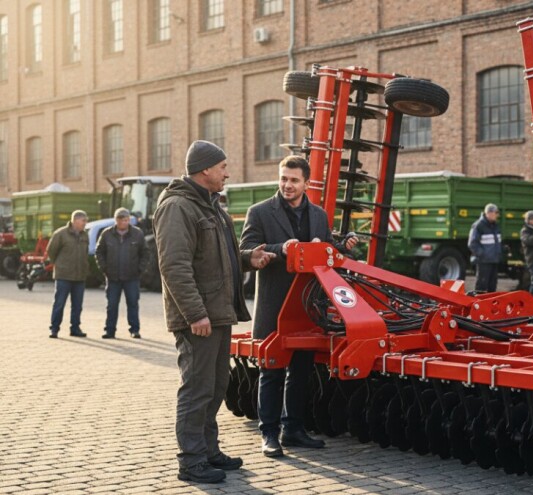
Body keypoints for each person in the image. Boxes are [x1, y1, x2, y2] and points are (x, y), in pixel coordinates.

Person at [154, 140, 275, 484]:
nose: (227, 172)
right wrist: (195, 313)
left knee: (216, 386)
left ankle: (208, 450)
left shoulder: (211, 207)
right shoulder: (178, 207)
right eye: (222, 167)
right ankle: (191, 462)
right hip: (199, 318)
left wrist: (247, 258)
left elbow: (219, 255)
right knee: (196, 389)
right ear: (205, 169)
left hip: (218, 313)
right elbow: (174, 266)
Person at [240, 155, 358, 458]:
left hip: (308, 307)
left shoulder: (318, 215)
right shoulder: (260, 212)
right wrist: (283, 249)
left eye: (293, 180)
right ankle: (269, 433)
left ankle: (293, 429)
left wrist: (341, 247)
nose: (287, 185)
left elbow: (326, 249)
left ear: (307, 183)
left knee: (302, 371)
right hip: (275, 306)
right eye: (283, 178)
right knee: (272, 371)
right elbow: (245, 252)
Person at [95, 207, 148, 339]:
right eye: (122, 220)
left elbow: (145, 253)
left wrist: (139, 269)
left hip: (132, 277)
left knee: (133, 304)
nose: (125, 222)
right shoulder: (106, 234)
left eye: (127, 220)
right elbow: (99, 252)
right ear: (116, 220)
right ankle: (110, 331)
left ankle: (134, 330)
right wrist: (104, 268)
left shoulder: (137, 234)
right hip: (113, 277)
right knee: (111, 305)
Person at [46, 210, 90, 338]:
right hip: (64, 276)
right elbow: (51, 251)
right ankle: (54, 329)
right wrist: (59, 265)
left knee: (77, 305)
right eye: (83, 221)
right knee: (59, 303)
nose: (85, 223)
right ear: (75, 220)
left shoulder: (85, 235)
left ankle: (75, 328)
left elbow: (85, 252)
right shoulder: (60, 234)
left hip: (80, 276)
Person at [468, 203, 503, 292]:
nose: (497, 215)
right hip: (484, 261)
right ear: (489, 213)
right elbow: (472, 243)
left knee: (492, 287)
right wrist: (483, 254)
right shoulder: (478, 225)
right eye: (496, 213)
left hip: (494, 260)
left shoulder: (495, 226)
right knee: (481, 287)